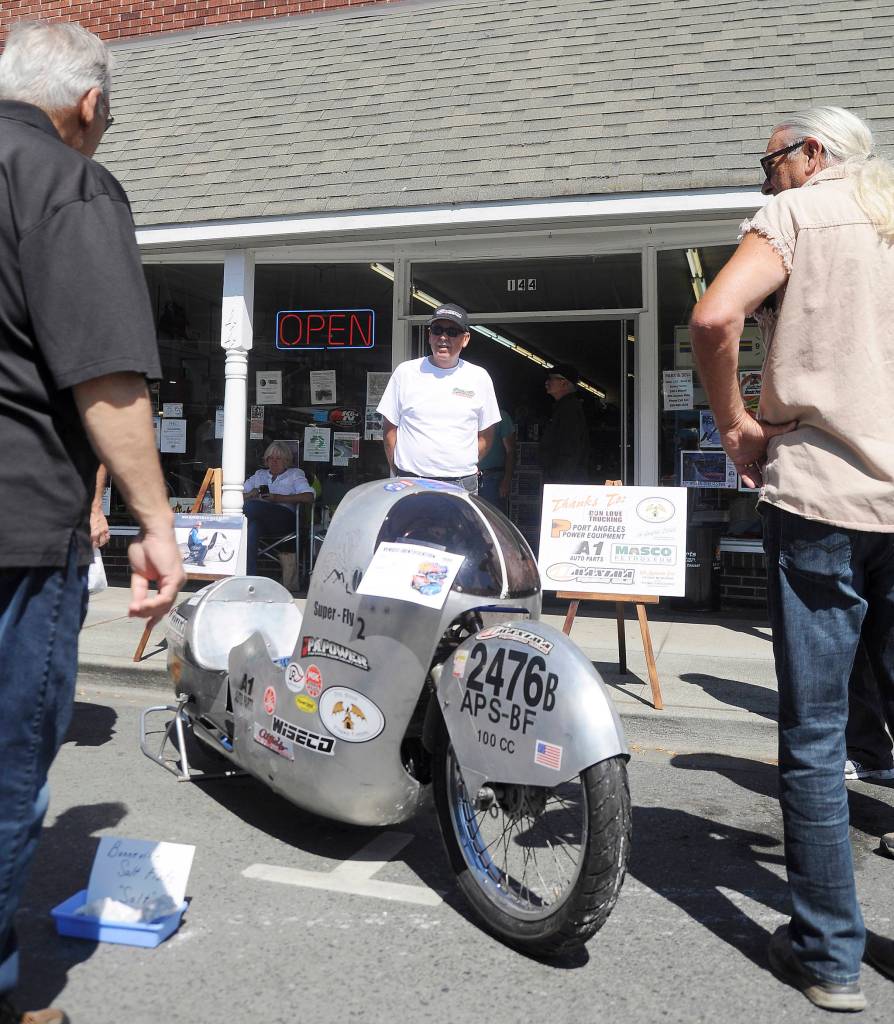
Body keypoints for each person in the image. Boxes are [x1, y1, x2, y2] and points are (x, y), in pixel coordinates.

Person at [0, 21, 184, 1024]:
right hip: (17, 530)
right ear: (90, 104)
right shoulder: (65, 182)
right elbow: (104, 376)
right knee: (6, 776)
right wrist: (156, 518)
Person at [690, 106, 894, 1011]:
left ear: (813, 153)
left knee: (815, 738)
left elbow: (713, 314)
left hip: (821, 496)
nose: (764, 178)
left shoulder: (800, 215)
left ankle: (829, 957)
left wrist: (735, 422)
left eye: (770, 160)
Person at [377, 303, 499, 495]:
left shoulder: (479, 377)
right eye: (437, 330)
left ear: (465, 339)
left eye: (452, 331)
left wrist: (460, 464)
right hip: (411, 483)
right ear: (429, 335)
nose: (443, 337)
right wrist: (399, 472)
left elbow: (486, 435)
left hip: (461, 484)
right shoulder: (405, 372)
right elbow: (390, 429)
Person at [243, 441, 315, 575]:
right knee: (252, 528)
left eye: (278, 459)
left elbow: (308, 497)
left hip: (283, 518)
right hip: (260, 518)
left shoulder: (295, 474)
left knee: (250, 506)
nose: (274, 462)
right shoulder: (260, 474)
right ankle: (249, 575)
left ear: (286, 460)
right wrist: (249, 494)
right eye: (271, 458)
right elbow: (234, 495)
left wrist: (277, 498)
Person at [539, 363, 590, 484]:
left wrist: (558, 482)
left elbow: (570, 448)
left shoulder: (569, 409)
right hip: (563, 479)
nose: (547, 383)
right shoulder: (563, 407)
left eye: (551, 379)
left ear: (564, 383)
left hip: (564, 482)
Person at [478, 407, 516, 512]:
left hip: (492, 478)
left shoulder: (501, 415)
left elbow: (511, 451)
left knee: (493, 519)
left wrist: (507, 480)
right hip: (467, 477)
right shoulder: (467, 414)